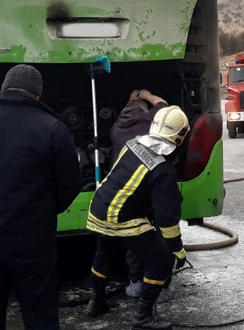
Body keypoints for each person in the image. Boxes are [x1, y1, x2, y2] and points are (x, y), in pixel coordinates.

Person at [0, 64, 82, 330]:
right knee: (41, 318)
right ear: (37, 95)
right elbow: (69, 188)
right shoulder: (54, 129)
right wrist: (43, 212)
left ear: (4, 89)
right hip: (34, 245)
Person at [85, 106, 190, 330]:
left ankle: (96, 302)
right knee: (160, 260)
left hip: (99, 207)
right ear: (180, 137)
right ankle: (143, 318)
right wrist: (177, 249)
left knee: (104, 252)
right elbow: (167, 220)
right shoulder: (164, 171)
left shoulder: (132, 144)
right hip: (122, 218)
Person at [109, 89, 170, 299]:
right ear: (144, 111)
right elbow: (163, 105)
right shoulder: (149, 121)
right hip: (153, 186)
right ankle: (159, 287)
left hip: (129, 192)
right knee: (160, 236)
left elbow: (126, 112)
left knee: (135, 237)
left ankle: (135, 282)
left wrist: (131, 100)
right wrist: (146, 95)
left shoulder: (116, 128)